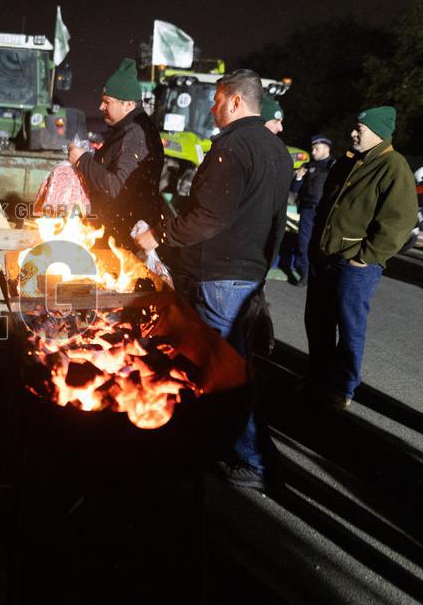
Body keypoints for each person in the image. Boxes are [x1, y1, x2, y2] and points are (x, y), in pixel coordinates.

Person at [133, 69, 293, 492]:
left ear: (237, 101)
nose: (212, 108)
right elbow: (277, 223)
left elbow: (210, 217)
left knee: (222, 374)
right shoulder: (277, 151)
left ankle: (253, 461)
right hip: (247, 276)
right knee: (234, 371)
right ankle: (248, 453)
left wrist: (159, 235)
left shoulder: (233, 147)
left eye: (218, 100)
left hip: (222, 278)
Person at [304, 106, 417, 409]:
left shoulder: (393, 166)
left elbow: (399, 222)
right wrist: (316, 246)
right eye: (355, 127)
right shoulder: (349, 160)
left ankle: (343, 388)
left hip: (355, 265)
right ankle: (317, 379)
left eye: (360, 129)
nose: (353, 133)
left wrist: (365, 257)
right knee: (318, 322)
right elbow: (327, 205)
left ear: (378, 133)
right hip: (326, 257)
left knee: (349, 327)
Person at [69, 57, 165, 248]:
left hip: (123, 240)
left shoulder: (135, 134)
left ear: (128, 104)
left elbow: (116, 187)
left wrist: (82, 160)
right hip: (115, 232)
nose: (100, 107)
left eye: (107, 102)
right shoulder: (127, 130)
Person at [288, 134, 335, 286]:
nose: (313, 152)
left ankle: (321, 275)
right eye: (312, 148)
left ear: (326, 148)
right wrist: (298, 177)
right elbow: (294, 189)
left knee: (321, 245)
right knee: (303, 242)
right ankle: (305, 273)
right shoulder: (307, 166)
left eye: (317, 148)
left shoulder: (334, 166)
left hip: (325, 211)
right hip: (307, 209)